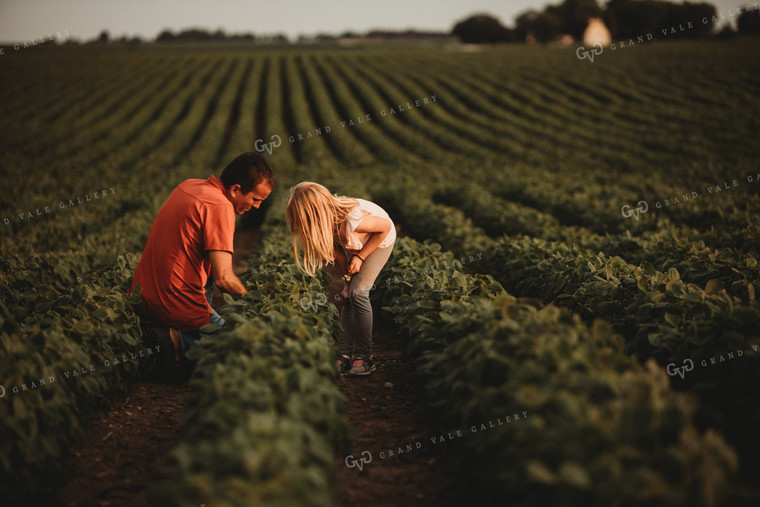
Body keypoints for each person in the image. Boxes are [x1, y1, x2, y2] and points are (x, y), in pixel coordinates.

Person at [129, 152, 275, 363]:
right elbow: (224, 279)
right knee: (245, 353)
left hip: (143, 296)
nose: (257, 206)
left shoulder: (189, 185)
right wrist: (255, 306)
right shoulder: (220, 206)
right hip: (174, 304)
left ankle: (177, 331)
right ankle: (176, 341)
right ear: (235, 190)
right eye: (255, 199)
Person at [286, 182, 396, 376]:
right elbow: (338, 254)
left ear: (316, 213)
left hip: (378, 240)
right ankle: (344, 355)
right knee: (347, 297)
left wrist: (361, 257)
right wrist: (346, 283)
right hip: (354, 242)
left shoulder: (353, 220)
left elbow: (385, 227)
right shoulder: (325, 227)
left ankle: (365, 357)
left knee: (359, 293)